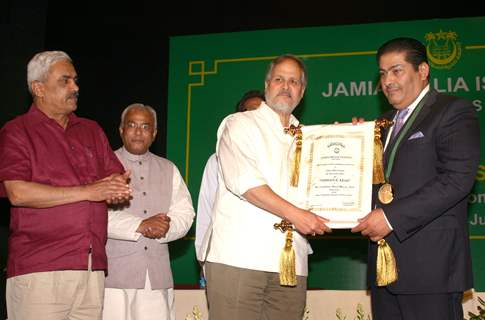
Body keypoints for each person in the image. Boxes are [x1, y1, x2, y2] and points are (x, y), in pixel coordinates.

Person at [352, 37, 480, 319]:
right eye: (383, 73)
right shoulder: (381, 125)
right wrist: (351, 143)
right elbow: (368, 182)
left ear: (422, 71)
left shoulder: (452, 111)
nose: (388, 81)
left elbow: (457, 180)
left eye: (396, 70)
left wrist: (389, 218)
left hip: (429, 267)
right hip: (384, 266)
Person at [0, 50, 131, 320]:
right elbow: (17, 192)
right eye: (65, 81)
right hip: (41, 269)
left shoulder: (91, 130)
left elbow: (112, 178)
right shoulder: (17, 131)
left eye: (75, 80)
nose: (75, 88)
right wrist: (90, 191)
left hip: (91, 268)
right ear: (38, 88)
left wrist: (115, 187)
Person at [202, 55, 331, 320]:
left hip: (291, 263)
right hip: (239, 259)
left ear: (302, 91)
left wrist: (350, 140)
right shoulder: (239, 124)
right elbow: (245, 183)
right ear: (267, 85)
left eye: (293, 81)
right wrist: (297, 216)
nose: (286, 86)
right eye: (279, 79)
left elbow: (327, 186)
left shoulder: (310, 137)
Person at [103, 103, 195, 320]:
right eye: (132, 125)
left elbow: (185, 212)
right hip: (114, 277)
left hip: (157, 275)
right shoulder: (103, 164)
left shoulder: (169, 168)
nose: (138, 132)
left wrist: (165, 227)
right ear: (121, 130)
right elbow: (94, 214)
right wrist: (140, 225)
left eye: (145, 127)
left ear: (153, 133)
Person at [194, 89, 264, 262]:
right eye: (248, 113)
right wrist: (203, 255)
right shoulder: (217, 159)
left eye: (260, 113)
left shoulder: (286, 154)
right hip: (231, 252)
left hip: (273, 253)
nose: (254, 119)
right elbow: (206, 209)